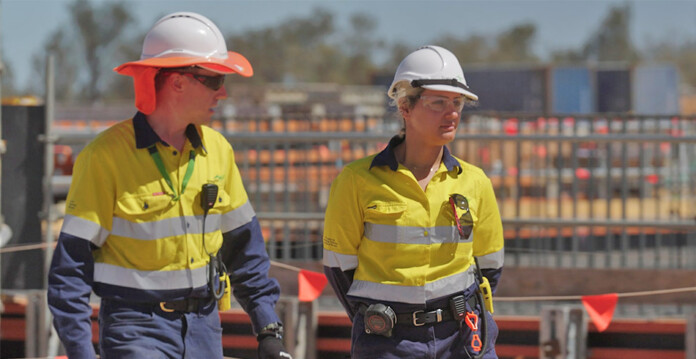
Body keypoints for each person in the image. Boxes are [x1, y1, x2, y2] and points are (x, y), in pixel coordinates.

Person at [48, 12, 291, 359]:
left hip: (205, 329)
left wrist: (268, 329)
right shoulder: (104, 157)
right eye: (214, 80)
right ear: (178, 81)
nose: (222, 93)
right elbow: (70, 270)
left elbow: (245, 251)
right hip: (136, 329)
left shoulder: (218, 151)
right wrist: (80, 350)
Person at [322, 45, 504, 359]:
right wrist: (376, 317)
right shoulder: (355, 181)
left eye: (457, 103)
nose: (452, 113)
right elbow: (339, 268)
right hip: (387, 342)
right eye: (438, 103)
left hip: (463, 337)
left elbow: (490, 267)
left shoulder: (475, 182)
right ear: (405, 107)